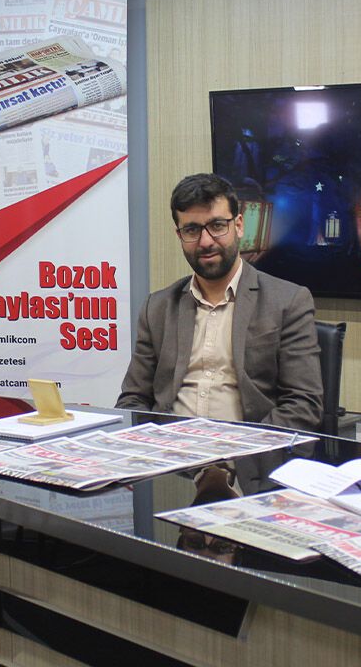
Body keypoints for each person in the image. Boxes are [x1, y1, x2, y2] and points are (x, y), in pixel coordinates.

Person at [116, 173, 323, 490]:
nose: (205, 241)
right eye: (191, 230)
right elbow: (134, 399)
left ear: (238, 225)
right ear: (179, 234)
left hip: (249, 470)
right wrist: (136, 454)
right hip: (170, 471)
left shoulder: (288, 301)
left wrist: (235, 451)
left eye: (217, 225)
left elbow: (303, 406)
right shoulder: (157, 307)